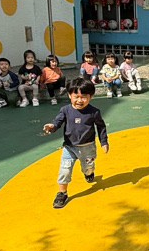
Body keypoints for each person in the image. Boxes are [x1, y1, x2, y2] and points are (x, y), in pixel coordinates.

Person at [42, 78, 109, 209]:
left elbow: (101, 127)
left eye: (83, 97)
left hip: (87, 147)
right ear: (69, 95)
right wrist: (52, 126)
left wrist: (103, 142)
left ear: (91, 97)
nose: (79, 100)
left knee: (88, 168)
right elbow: (58, 121)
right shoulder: (65, 110)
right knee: (64, 170)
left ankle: (89, 173)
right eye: (76, 96)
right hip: (69, 147)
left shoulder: (94, 111)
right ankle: (62, 193)